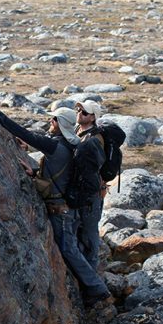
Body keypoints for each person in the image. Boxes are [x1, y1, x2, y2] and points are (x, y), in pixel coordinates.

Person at [0, 101, 111, 307]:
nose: (50, 122)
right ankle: (90, 286)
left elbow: (23, 133)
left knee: (69, 249)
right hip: (69, 208)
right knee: (74, 247)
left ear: (59, 122)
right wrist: (36, 172)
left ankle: (97, 288)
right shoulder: (73, 144)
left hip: (60, 210)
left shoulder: (55, 145)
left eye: (53, 119)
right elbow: (62, 172)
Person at [73, 100, 107, 272]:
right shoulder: (78, 131)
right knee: (79, 231)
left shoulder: (95, 139)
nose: (79, 113)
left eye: (84, 112)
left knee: (90, 233)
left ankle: (92, 273)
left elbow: (94, 170)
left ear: (93, 117)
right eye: (78, 110)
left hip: (91, 194)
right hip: (79, 191)